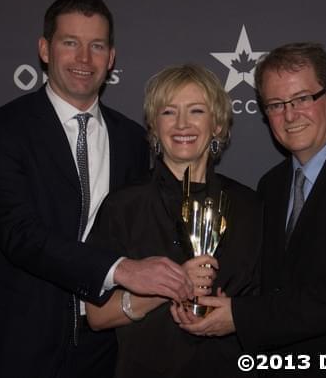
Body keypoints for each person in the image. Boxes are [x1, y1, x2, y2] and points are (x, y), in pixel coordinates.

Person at [0, 0, 193, 378]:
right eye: (70, 43)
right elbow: (20, 235)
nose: (84, 59)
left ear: (111, 57)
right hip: (17, 342)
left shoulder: (133, 140)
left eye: (96, 46)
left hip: (104, 347)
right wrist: (120, 269)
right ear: (45, 49)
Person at [175, 43, 326, 377]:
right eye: (276, 105)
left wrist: (241, 315)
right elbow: (273, 283)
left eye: (303, 98)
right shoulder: (271, 185)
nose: (290, 115)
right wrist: (215, 300)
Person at [85, 64, 262, 378]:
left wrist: (235, 314)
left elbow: (270, 305)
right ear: (154, 126)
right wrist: (169, 286)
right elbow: (96, 316)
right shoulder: (123, 207)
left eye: (196, 110)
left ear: (218, 124)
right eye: (168, 112)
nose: (182, 124)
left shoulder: (250, 205)